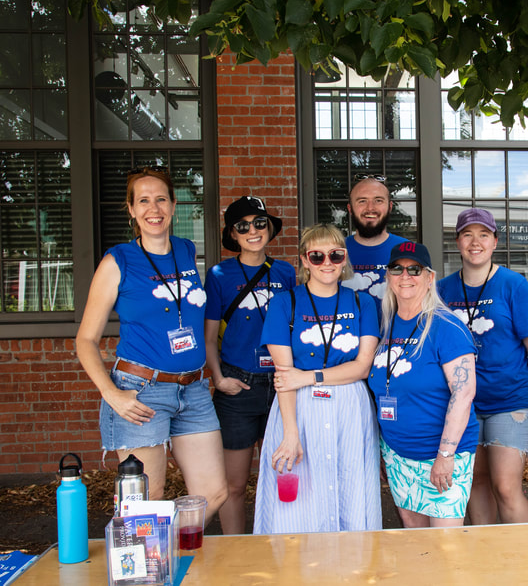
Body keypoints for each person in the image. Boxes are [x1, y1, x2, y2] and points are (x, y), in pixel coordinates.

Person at [76, 166, 227, 521]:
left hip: (193, 390)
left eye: (160, 199)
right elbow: (85, 339)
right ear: (131, 209)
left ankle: (166, 552)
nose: (153, 208)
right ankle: (147, 569)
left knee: (213, 493)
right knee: (146, 499)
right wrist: (111, 394)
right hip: (140, 391)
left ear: (173, 206)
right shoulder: (118, 260)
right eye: (143, 200)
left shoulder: (186, 250)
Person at [253, 224, 381, 534]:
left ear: (344, 258)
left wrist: (309, 377)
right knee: (301, 494)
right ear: (304, 260)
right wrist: (290, 433)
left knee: (350, 484)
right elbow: (284, 378)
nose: (327, 263)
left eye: (335, 255)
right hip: (299, 409)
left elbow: (362, 367)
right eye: (317, 256)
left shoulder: (363, 303)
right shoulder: (286, 303)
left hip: (349, 407)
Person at [437, 208, 528, 524]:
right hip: (462, 405)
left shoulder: (513, 285)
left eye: (483, 234)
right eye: (467, 234)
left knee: (506, 486)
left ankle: (522, 559)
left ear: (495, 241)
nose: (476, 242)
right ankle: (486, 557)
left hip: (508, 400)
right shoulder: (443, 290)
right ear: (457, 241)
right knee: (475, 484)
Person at [369, 241, 479, 528]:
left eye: (414, 269)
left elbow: (464, 393)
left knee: (446, 549)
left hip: (441, 456)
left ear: (430, 278)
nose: (405, 276)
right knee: (415, 546)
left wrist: (445, 456)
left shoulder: (447, 326)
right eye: (397, 268)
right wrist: (385, 451)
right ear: (388, 277)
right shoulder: (383, 325)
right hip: (398, 456)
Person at [203, 196, 296, 534]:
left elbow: (294, 328)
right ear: (233, 234)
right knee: (235, 484)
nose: (253, 231)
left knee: (282, 476)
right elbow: (209, 336)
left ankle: (280, 545)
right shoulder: (219, 274)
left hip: (279, 385)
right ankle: (235, 551)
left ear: (269, 228)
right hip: (237, 388)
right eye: (243, 226)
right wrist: (219, 378)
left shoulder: (285, 271)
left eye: (259, 223)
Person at [342, 174, 408, 306]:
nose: (370, 208)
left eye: (378, 200)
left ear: (390, 207)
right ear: (350, 209)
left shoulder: (408, 250)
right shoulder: (334, 252)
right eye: (362, 201)